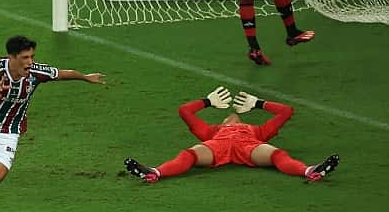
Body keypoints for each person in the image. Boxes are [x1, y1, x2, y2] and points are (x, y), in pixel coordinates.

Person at [0, 35, 105, 212]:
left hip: (8, 131)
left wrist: (85, 77)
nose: (30, 62)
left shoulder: (37, 72)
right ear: (12, 57)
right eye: (25, 58)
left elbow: (63, 73)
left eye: (32, 57)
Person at [124, 87, 339, 183]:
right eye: (229, 116)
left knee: (277, 155)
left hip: (249, 147)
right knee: (189, 154)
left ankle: (310, 171)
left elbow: (286, 111)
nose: (233, 116)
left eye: (237, 116)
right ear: (224, 121)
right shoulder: (211, 131)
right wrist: (207, 101)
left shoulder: (258, 131)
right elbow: (184, 111)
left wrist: (258, 103)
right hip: (217, 147)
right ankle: (154, 172)